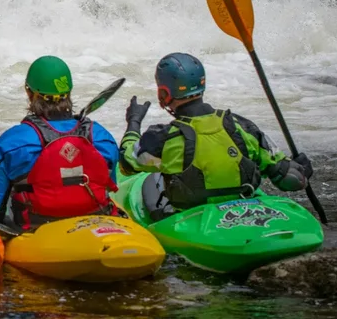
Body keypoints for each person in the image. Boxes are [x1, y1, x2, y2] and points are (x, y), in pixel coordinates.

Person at [118, 52, 314, 216]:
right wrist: (301, 168)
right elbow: (290, 180)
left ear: (163, 94)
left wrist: (134, 122)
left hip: (193, 219)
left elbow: (127, 164)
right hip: (245, 212)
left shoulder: (163, 137)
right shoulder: (241, 126)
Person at [0, 56, 120, 230]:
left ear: (29, 93)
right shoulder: (102, 138)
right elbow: (109, 186)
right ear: (69, 93)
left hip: (35, 229)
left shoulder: (13, 142)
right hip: (94, 224)